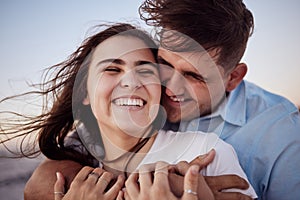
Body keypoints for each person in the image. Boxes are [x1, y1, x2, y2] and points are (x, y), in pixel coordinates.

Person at [24, 0, 300, 199]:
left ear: (233, 78)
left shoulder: (281, 135)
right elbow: (61, 164)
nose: (169, 86)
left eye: (194, 76)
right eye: (163, 64)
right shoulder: (133, 108)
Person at [0, 23, 256, 199]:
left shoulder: (207, 153)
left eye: (145, 70)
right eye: (112, 69)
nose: (131, 82)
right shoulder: (69, 180)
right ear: (85, 94)